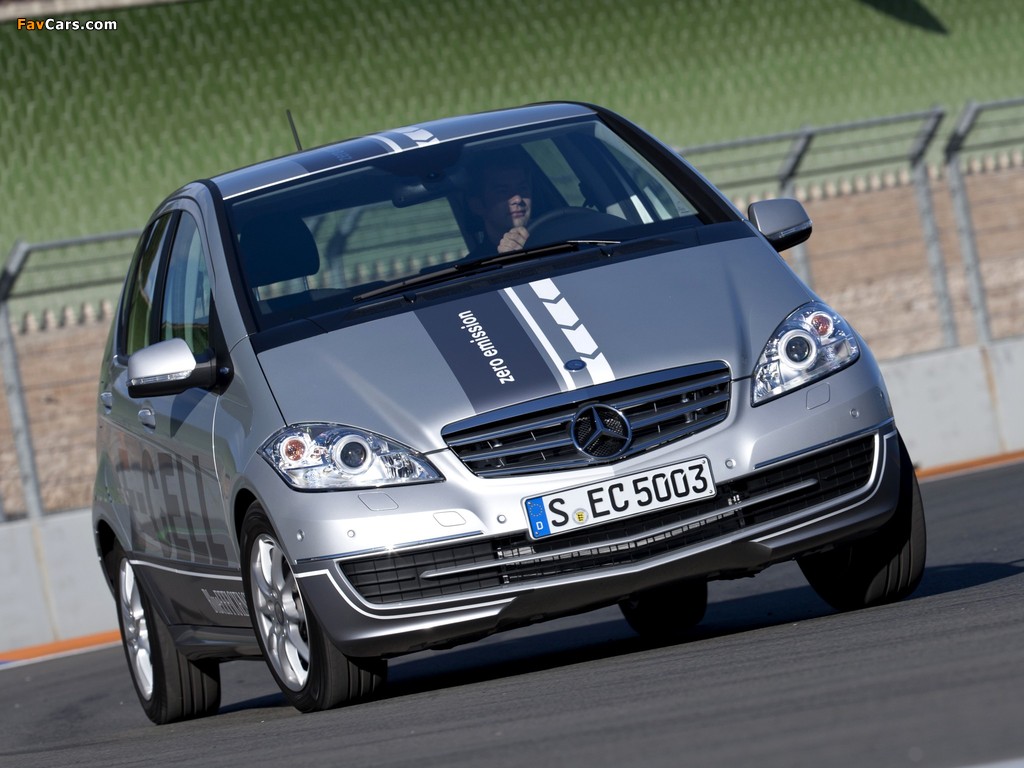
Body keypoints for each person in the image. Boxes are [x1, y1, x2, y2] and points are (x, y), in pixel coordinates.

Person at [465, 149, 535, 255]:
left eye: (522, 188)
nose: (518, 199)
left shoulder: (555, 238)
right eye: (503, 191)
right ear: (477, 206)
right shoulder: (475, 264)